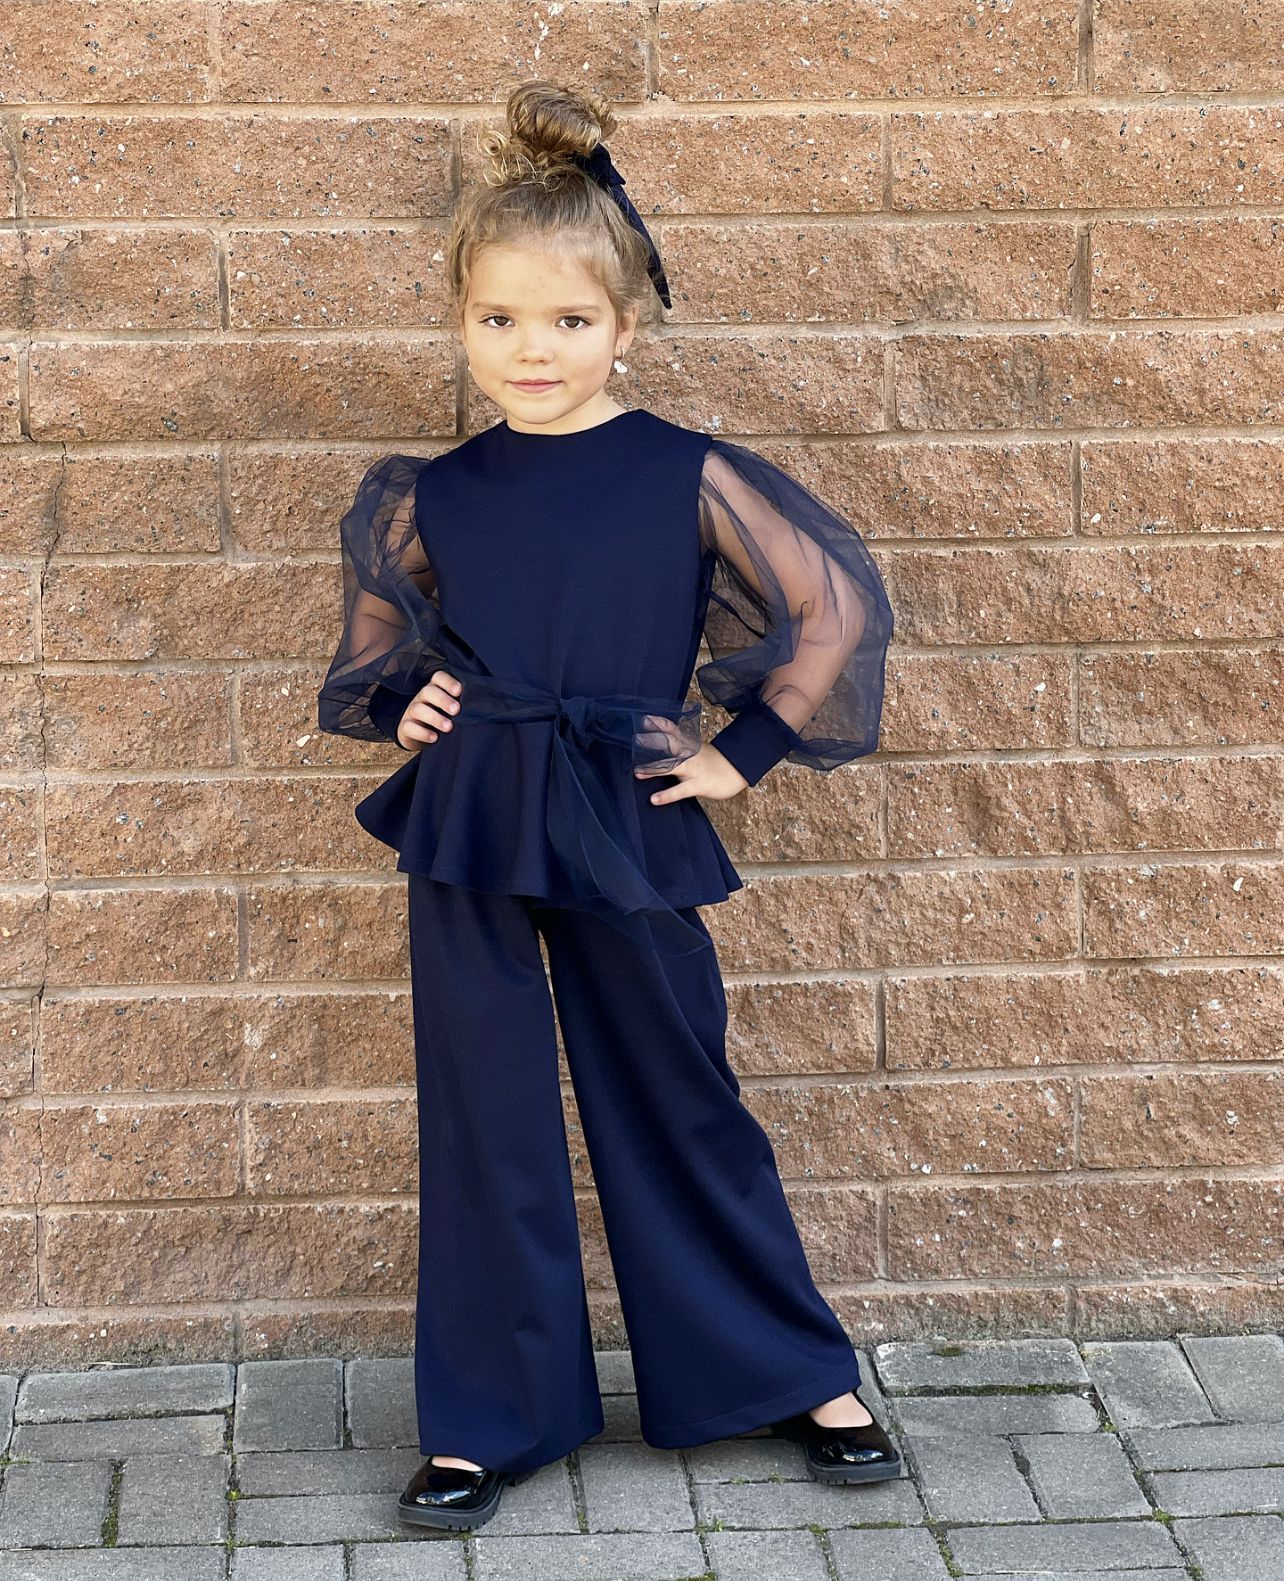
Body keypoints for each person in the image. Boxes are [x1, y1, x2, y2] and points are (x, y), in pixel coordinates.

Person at [316, 78, 897, 1532]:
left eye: (569, 320)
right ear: (462, 324)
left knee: (677, 1091)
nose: (534, 349)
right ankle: (488, 1419)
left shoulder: (685, 471)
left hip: (628, 810)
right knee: (486, 1112)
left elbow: (831, 605)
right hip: (472, 821)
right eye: (500, 319)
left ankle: (783, 1370)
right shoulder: (435, 493)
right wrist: (408, 699)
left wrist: (742, 751)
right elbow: (377, 646)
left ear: (624, 325)